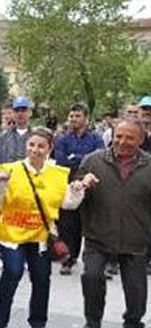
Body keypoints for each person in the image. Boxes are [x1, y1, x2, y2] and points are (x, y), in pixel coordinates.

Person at [0, 129, 90, 328]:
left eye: (41, 146)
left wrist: (78, 189)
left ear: (49, 148)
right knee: (12, 272)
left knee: (42, 278)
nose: (35, 150)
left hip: (41, 236)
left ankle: (38, 321)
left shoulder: (58, 174)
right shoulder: (11, 170)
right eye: (31, 144)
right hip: (12, 234)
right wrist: (0, 183)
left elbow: (68, 204)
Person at [76, 120, 151, 328]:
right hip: (98, 235)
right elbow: (73, 194)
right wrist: (81, 186)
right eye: (119, 136)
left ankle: (133, 326)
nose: (122, 142)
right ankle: (92, 320)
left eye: (129, 138)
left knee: (137, 288)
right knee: (92, 277)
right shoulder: (94, 160)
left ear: (141, 140)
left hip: (135, 238)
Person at [53, 103, 105, 275]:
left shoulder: (96, 138)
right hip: (69, 185)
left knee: (92, 222)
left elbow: (98, 159)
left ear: (86, 119)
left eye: (77, 116)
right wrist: (81, 159)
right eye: (71, 116)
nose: (73, 119)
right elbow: (61, 160)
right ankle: (69, 258)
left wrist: (75, 157)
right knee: (68, 224)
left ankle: (97, 262)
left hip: (90, 185)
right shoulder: (62, 138)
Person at [0, 96, 33, 165]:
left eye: (23, 110)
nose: (20, 113)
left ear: (30, 112)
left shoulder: (36, 136)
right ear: (13, 113)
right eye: (17, 110)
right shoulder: (4, 136)